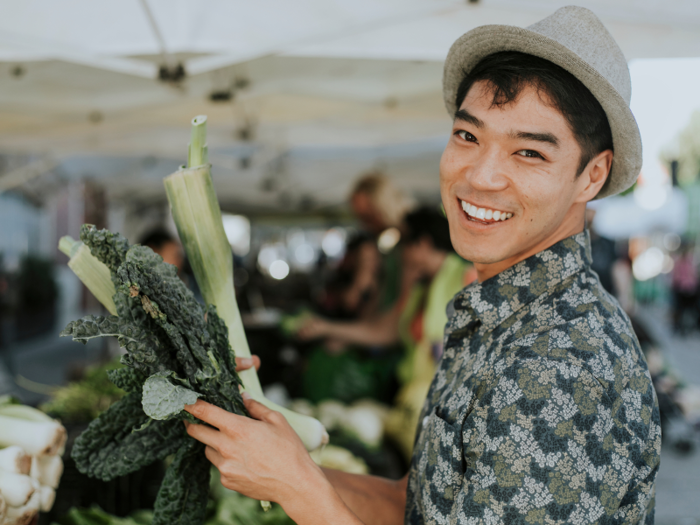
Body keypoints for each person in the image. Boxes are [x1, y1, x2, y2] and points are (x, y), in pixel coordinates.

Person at [183, 7, 660, 524]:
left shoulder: (564, 366)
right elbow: (410, 507)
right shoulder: (495, 317)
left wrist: (295, 486)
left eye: (528, 153)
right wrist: (274, 447)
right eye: (468, 136)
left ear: (592, 176)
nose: (481, 177)